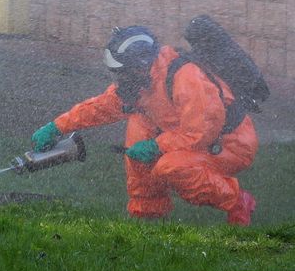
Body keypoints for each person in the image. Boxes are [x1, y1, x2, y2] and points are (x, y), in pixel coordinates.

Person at [31, 25, 258, 225]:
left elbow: (201, 130)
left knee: (170, 166)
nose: (118, 79)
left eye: (121, 72)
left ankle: (237, 200)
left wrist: (157, 146)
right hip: (188, 136)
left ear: (138, 67)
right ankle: (148, 212)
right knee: (138, 126)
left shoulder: (187, 78)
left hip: (229, 144)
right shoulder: (143, 81)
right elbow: (103, 106)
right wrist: (57, 127)